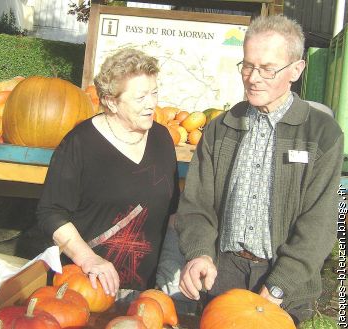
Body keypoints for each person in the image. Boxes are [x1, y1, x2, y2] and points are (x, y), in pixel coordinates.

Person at [174, 15, 344, 324]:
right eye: (248, 65)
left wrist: (279, 287)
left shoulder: (322, 134)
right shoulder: (220, 129)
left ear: (296, 69)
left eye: (267, 69)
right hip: (223, 275)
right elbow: (196, 204)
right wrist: (199, 252)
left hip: (285, 284)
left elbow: (318, 225)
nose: (253, 78)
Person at [37, 48, 179, 298]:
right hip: (87, 287)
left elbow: (171, 211)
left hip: (143, 292)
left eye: (154, 92)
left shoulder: (162, 138)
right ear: (111, 101)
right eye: (140, 97)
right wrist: (88, 259)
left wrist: (168, 276)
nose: (152, 103)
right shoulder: (80, 143)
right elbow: (51, 213)